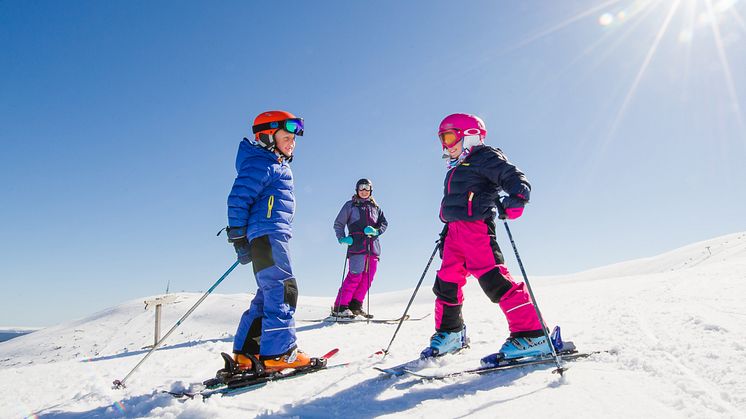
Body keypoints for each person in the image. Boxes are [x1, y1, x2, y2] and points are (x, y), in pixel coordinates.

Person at [421, 113, 553, 360]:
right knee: (446, 282)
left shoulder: (485, 157)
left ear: (470, 136)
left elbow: (513, 176)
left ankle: (533, 334)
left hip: (477, 230)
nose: (445, 144)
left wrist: (518, 197)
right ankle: (450, 333)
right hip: (453, 233)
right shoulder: (454, 168)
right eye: (442, 139)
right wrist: (446, 231)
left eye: (450, 137)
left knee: (494, 280)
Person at [225, 110, 314, 373]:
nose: (292, 142)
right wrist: (239, 236)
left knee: (267, 293)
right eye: (286, 137)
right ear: (266, 137)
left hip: (267, 234)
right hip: (269, 233)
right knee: (283, 289)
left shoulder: (271, 164)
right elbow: (238, 197)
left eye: (293, 138)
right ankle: (280, 352)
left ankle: (247, 352)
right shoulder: (262, 163)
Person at [332, 178, 388, 318]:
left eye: (367, 188)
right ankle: (340, 307)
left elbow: (384, 223)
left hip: (373, 247)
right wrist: (342, 237)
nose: (364, 191)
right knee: (355, 276)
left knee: (367, 278)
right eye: (361, 188)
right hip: (357, 246)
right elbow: (338, 223)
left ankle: (355, 306)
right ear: (357, 190)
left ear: (371, 190)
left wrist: (376, 231)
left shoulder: (376, 208)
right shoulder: (350, 205)